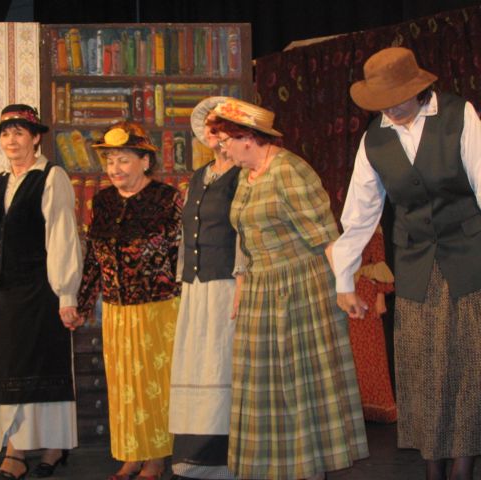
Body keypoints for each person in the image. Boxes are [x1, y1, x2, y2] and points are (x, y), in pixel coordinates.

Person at [329, 46, 481, 480]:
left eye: (397, 98)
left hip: (469, 258)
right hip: (415, 263)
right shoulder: (374, 139)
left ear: (418, 89)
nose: (391, 109)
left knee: (469, 363)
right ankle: (433, 467)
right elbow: (359, 216)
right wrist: (344, 282)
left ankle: (463, 467)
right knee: (423, 366)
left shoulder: (458, 115)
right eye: (382, 102)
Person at [212, 98, 368, 480]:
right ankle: (277, 470)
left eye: (226, 141)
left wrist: (345, 287)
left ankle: (308, 469)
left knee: (299, 385)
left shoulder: (289, 171)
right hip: (261, 289)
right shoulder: (247, 176)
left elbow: (326, 236)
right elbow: (245, 236)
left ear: (248, 138)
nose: (222, 149)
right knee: (264, 389)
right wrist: (241, 286)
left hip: (300, 289)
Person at [0, 104, 83, 480]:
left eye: (18, 132)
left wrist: (66, 294)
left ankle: (27, 450)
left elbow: (62, 235)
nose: (11, 140)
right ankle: (40, 445)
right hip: (2, 293)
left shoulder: (51, 176)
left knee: (40, 366)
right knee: (8, 369)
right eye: (5, 133)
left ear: (35, 138)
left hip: (39, 291)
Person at [77, 121, 182, 479]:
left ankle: (156, 457)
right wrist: (82, 304)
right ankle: (131, 455)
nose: (115, 169)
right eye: (110, 161)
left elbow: (180, 255)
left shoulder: (167, 199)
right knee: (124, 386)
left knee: (155, 384)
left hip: (159, 307)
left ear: (145, 161)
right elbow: (94, 256)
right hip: (116, 309)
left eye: (123, 160)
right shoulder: (103, 201)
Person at [168, 97, 241, 480]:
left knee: (221, 363)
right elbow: (186, 233)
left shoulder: (243, 175)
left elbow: (246, 231)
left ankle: (227, 457)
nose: (214, 131)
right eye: (210, 125)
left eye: (222, 124)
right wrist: (183, 277)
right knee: (198, 363)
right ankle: (196, 456)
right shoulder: (199, 176)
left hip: (226, 283)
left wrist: (243, 280)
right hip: (197, 288)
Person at [348, 225, 397, 423]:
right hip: (347, 291)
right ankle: (357, 407)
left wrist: (380, 297)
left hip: (365, 292)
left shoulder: (370, 222)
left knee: (371, 350)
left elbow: (378, 258)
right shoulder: (336, 218)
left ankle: (379, 406)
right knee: (354, 354)